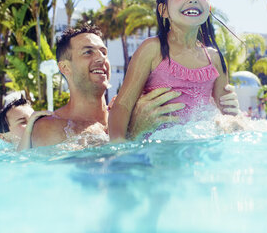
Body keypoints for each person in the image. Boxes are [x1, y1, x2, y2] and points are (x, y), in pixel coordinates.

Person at [31, 24, 240, 148]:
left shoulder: (131, 113)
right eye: (88, 52)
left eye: (104, 52)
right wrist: (133, 134)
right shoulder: (51, 128)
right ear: (65, 68)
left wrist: (220, 110)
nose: (101, 59)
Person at [109, 0, 241, 142]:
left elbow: (226, 113)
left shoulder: (214, 58)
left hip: (199, 148)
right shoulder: (152, 49)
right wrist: (119, 148)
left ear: (209, 8)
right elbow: (122, 105)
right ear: (163, 9)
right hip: (157, 150)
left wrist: (233, 114)